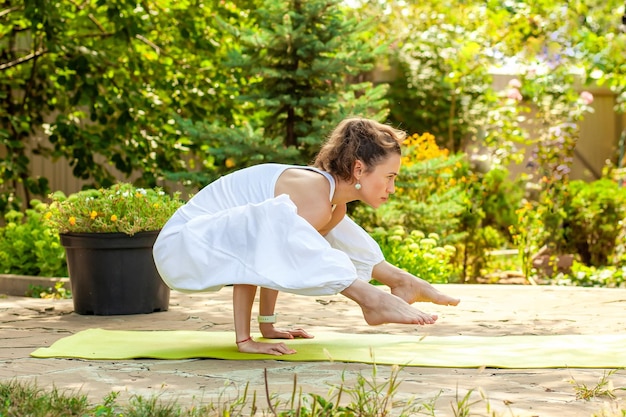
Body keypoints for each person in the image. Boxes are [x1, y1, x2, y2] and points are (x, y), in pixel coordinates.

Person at [153, 117, 460, 356]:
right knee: (284, 228)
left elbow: (272, 260)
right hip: (183, 245)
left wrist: (268, 327)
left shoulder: (332, 205)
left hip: (214, 240)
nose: (392, 188)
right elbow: (251, 254)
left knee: (336, 225)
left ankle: (397, 282)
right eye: (389, 177)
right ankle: (371, 298)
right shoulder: (313, 196)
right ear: (358, 169)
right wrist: (246, 339)